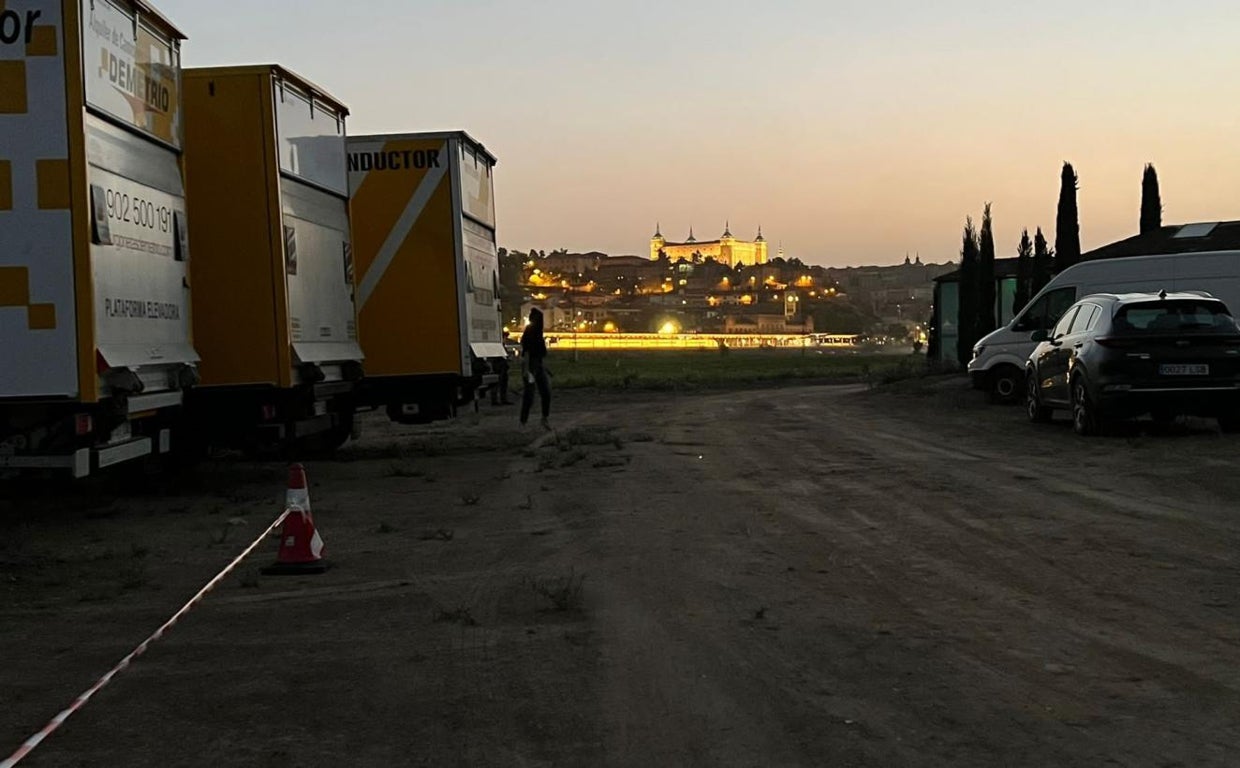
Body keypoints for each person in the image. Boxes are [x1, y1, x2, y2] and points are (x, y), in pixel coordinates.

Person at [520, 308, 552, 430]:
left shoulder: (537, 333)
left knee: (546, 392)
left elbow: (540, 354)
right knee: (529, 395)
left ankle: (544, 418)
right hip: (531, 367)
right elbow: (527, 353)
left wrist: (545, 368)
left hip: (538, 366)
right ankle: (523, 422)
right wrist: (527, 371)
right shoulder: (531, 332)